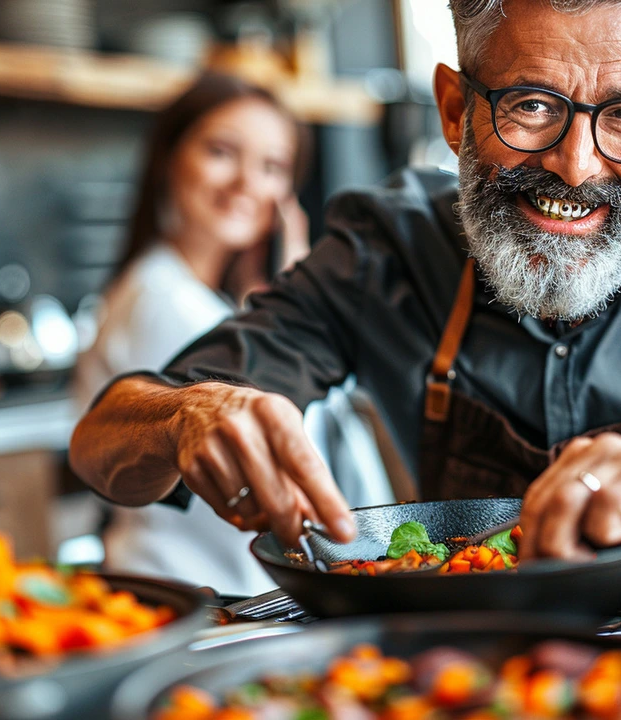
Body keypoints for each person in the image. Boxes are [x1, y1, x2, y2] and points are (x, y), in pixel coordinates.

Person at [70, 0, 621, 568]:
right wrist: (186, 415)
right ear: (454, 111)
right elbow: (103, 443)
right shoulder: (385, 249)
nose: (577, 165)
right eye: (531, 104)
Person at [75, 73, 389, 596]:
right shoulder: (162, 299)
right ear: (169, 159)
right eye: (222, 152)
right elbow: (281, 450)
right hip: (197, 591)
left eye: (272, 167)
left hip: (208, 584)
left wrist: (281, 292)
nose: (247, 182)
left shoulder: (197, 295)